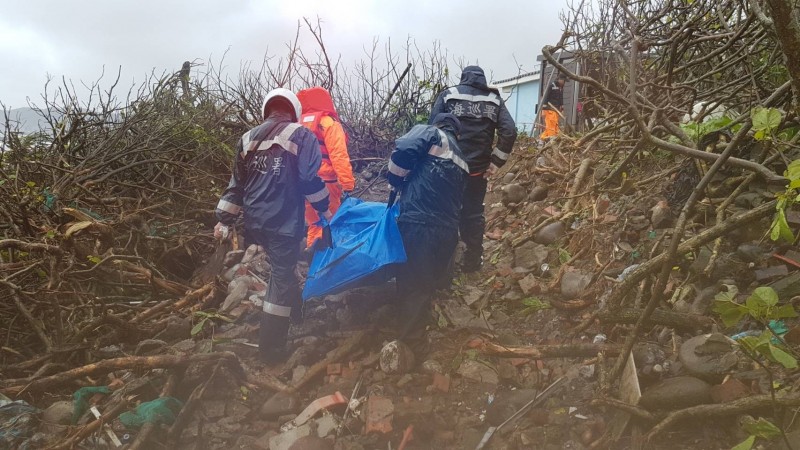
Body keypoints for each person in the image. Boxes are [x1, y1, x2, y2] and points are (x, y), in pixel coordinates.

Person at [213, 88, 331, 363]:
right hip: (283, 220)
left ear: (268, 109)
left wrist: (223, 220)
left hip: (255, 222)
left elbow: (236, 186)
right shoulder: (302, 135)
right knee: (280, 273)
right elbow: (308, 180)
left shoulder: (247, 138)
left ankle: (296, 310)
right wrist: (324, 206)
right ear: (294, 111)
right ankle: (271, 348)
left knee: (283, 267)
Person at [387, 113, 469, 343]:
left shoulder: (431, 133)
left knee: (412, 285)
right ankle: (419, 329)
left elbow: (403, 149)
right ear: (458, 133)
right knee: (426, 283)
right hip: (448, 231)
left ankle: (408, 346)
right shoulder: (462, 157)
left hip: (420, 223)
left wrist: (396, 180)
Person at [429, 65, 517, 272]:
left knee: (445, 212)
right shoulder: (494, 100)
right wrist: (496, 162)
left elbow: (433, 128)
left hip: (448, 169)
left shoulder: (449, 95)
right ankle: (473, 261)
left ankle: (442, 264)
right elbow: (510, 131)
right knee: (473, 213)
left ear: (464, 78)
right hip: (477, 171)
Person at [297, 87, 355, 251]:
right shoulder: (328, 123)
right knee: (331, 222)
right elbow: (339, 156)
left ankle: (313, 264)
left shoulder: (298, 125)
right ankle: (329, 262)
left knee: (314, 223)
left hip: (302, 184)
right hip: (326, 183)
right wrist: (347, 184)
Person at [540, 75, 566, 141]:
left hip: (556, 110)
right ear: (560, 80)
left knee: (555, 126)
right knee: (550, 126)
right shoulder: (551, 86)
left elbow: (561, 98)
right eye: (564, 81)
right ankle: (549, 139)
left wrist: (562, 108)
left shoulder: (560, 88)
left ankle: (547, 138)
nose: (564, 83)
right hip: (549, 110)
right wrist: (543, 110)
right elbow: (545, 98)